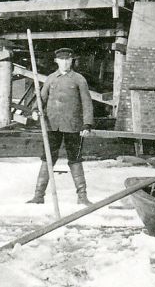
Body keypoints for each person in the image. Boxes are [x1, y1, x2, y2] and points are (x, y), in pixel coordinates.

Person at [27, 48, 95, 205]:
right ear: (56, 61)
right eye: (62, 60)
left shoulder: (79, 79)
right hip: (52, 125)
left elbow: (87, 103)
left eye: (68, 60)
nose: (65, 63)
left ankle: (82, 196)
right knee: (47, 159)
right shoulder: (51, 79)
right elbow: (41, 98)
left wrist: (87, 124)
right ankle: (38, 195)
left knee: (75, 159)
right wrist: (36, 110)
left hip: (73, 126)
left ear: (72, 61)